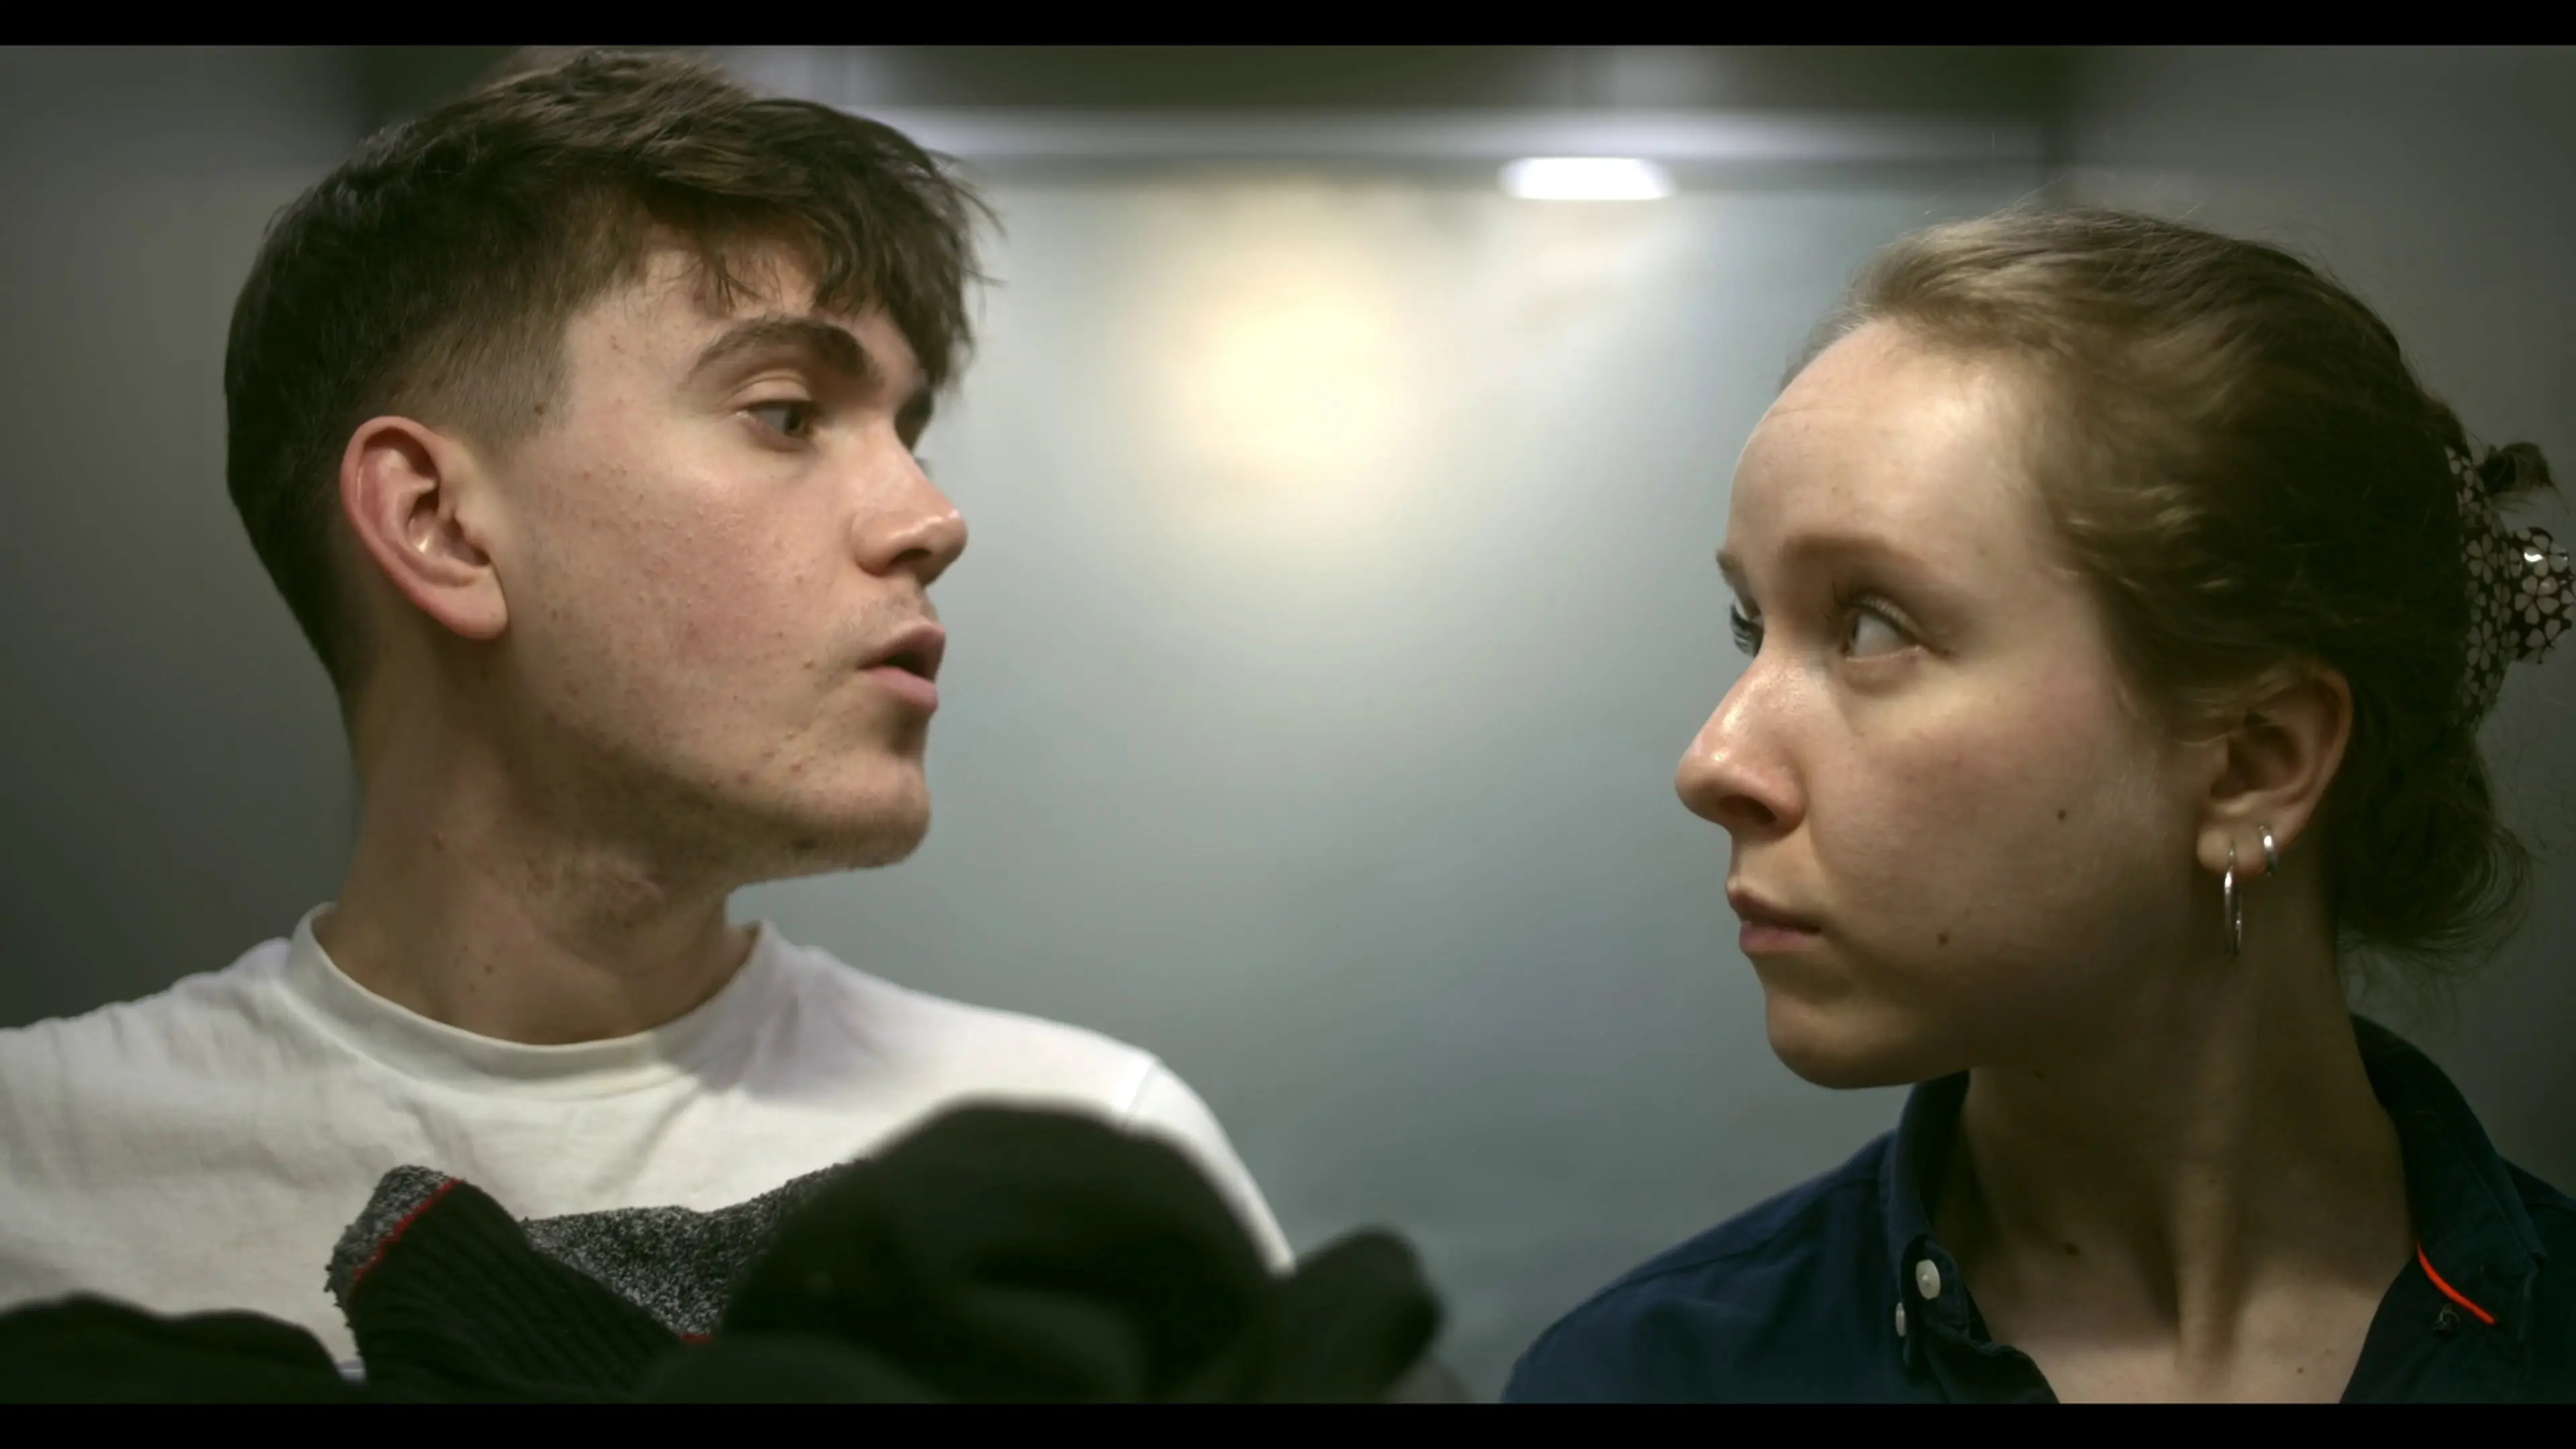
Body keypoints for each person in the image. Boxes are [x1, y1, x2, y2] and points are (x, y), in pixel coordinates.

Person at [0, 49, 1288, 1373]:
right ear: (442, 526)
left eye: (911, 433)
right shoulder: (35, 1186)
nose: (930, 521)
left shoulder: (1085, 1163)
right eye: (787, 413)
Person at [1506, 207, 2575, 1402]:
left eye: (1869, 628)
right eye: (1753, 627)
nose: (1712, 761)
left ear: (2252, 764)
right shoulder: (1647, 1381)